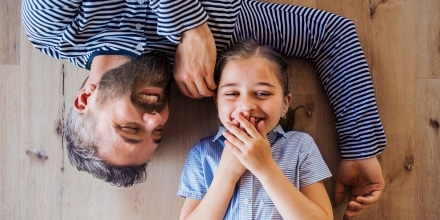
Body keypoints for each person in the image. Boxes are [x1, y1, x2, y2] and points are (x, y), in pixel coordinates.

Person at [22, 0, 385, 218]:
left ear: (86, 97)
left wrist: (189, 26)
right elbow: (330, 35)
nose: (156, 117)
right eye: (158, 133)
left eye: (129, 128)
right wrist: (361, 146)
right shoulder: (224, 39)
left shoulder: (54, 30)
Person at [178, 41, 333, 219]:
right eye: (232, 94)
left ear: (285, 104)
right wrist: (226, 175)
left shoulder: (301, 147)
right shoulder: (202, 153)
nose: (246, 107)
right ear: (217, 102)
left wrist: (265, 168)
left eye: (262, 93)